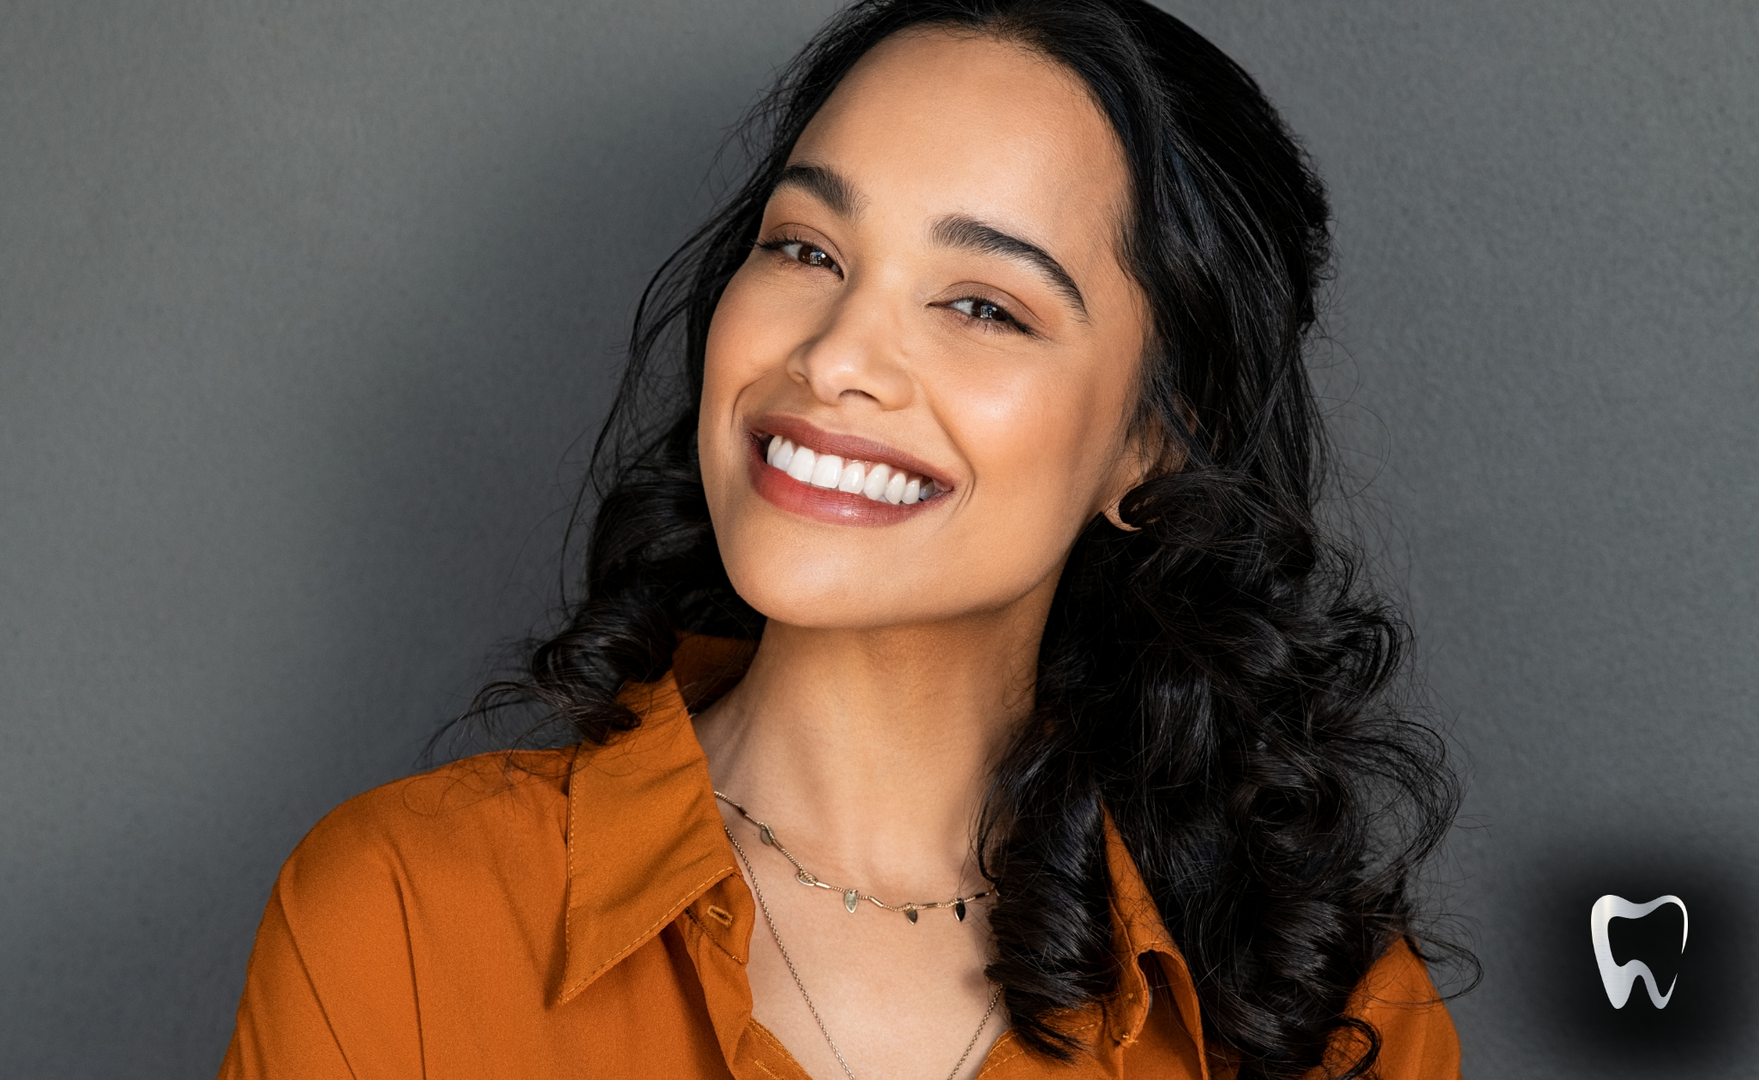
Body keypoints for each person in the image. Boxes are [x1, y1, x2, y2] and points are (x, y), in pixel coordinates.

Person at [218, 1, 1467, 1077]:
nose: (835, 359)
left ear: (1156, 442)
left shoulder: (1339, 1025)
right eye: (807, 249)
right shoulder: (401, 915)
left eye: (983, 305)